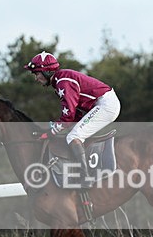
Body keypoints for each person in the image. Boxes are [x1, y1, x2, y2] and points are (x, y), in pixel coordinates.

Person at [24, 51, 121, 187]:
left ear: (47, 72)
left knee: (73, 136)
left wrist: (51, 132)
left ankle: (85, 177)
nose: (36, 78)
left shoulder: (63, 82)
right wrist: (52, 128)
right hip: (103, 103)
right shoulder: (60, 81)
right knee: (74, 134)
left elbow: (68, 117)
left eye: (37, 73)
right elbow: (74, 116)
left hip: (106, 104)